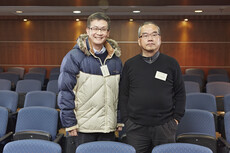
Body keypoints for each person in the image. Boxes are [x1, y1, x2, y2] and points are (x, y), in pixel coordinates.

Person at [58, 12, 123, 148]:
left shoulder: (115, 60)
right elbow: (65, 92)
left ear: (108, 32)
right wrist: (69, 123)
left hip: (108, 127)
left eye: (103, 29)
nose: (99, 33)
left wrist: (119, 120)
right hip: (83, 128)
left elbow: (119, 94)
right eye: (95, 28)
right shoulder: (73, 57)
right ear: (87, 30)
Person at [119, 22, 186, 153]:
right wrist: (126, 119)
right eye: (145, 35)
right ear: (139, 41)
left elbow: (180, 93)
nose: (150, 38)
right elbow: (123, 94)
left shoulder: (171, 63)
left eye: (154, 35)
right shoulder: (130, 64)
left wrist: (176, 119)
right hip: (136, 127)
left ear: (160, 39)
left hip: (165, 127)